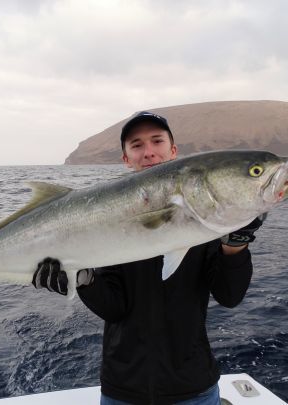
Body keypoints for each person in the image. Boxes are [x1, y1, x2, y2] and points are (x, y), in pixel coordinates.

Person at [32, 111, 264, 405]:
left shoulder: (204, 222)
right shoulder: (107, 218)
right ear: (126, 158)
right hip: (122, 389)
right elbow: (115, 309)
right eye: (137, 145)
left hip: (193, 388)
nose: (149, 152)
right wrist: (83, 279)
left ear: (173, 151)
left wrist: (235, 245)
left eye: (157, 141)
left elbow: (230, 296)